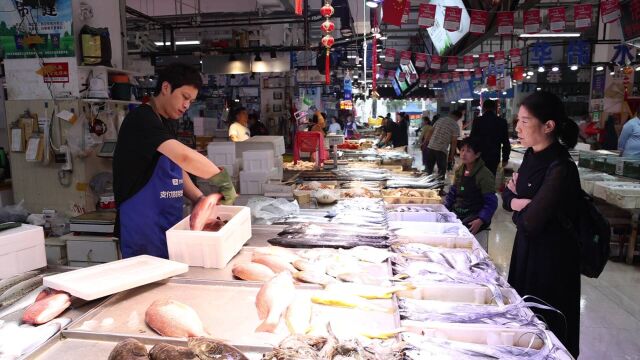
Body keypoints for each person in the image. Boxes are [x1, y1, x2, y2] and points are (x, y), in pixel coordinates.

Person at [113, 63, 237, 259]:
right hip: (142, 228)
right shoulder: (142, 120)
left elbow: (175, 168)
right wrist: (221, 178)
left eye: (191, 101)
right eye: (185, 97)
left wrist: (199, 198)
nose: (187, 105)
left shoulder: (167, 121)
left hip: (166, 221)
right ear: (165, 88)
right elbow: (184, 157)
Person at [502, 91, 581, 357]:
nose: (517, 127)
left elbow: (531, 224)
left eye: (525, 121)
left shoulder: (561, 167)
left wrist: (519, 206)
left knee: (547, 328)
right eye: (518, 121)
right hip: (525, 252)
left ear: (548, 126)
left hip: (552, 263)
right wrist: (520, 204)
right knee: (523, 323)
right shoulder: (530, 156)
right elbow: (506, 197)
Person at [444, 137, 497, 250]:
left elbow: (491, 202)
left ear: (477, 155)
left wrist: (481, 219)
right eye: (462, 150)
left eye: (468, 151)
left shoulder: (485, 175)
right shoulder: (460, 170)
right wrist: (444, 209)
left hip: (475, 221)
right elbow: (453, 192)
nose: (463, 154)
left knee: (473, 252)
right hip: (459, 216)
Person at [470, 99, 511, 175]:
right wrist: (505, 158)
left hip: (479, 156)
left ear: (483, 108)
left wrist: (471, 156)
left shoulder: (477, 121)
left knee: (478, 178)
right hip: (494, 157)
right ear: (495, 109)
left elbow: (472, 139)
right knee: (491, 178)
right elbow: (506, 142)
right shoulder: (502, 122)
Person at [425, 110, 461, 175]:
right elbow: (454, 142)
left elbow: (430, 131)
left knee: (428, 170)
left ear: (450, 114)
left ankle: (426, 183)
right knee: (441, 172)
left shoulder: (440, 120)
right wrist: (452, 155)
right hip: (441, 150)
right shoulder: (455, 125)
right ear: (458, 118)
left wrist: (425, 143)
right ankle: (440, 184)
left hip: (430, 147)